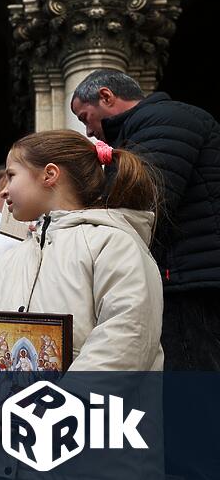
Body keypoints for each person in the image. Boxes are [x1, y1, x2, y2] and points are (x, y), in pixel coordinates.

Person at [0, 130, 164, 372]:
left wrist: (60, 404)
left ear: (49, 175)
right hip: (7, 409)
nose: (3, 191)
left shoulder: (114, 245)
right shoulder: (11, 259)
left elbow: (126, 336)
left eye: (12, 175)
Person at [70, 68, 220, 370]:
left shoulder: (162, 122)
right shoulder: (146, 128)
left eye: (85, 117)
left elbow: (142, 205)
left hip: (190, 281)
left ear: (106, 96)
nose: (88, 131)